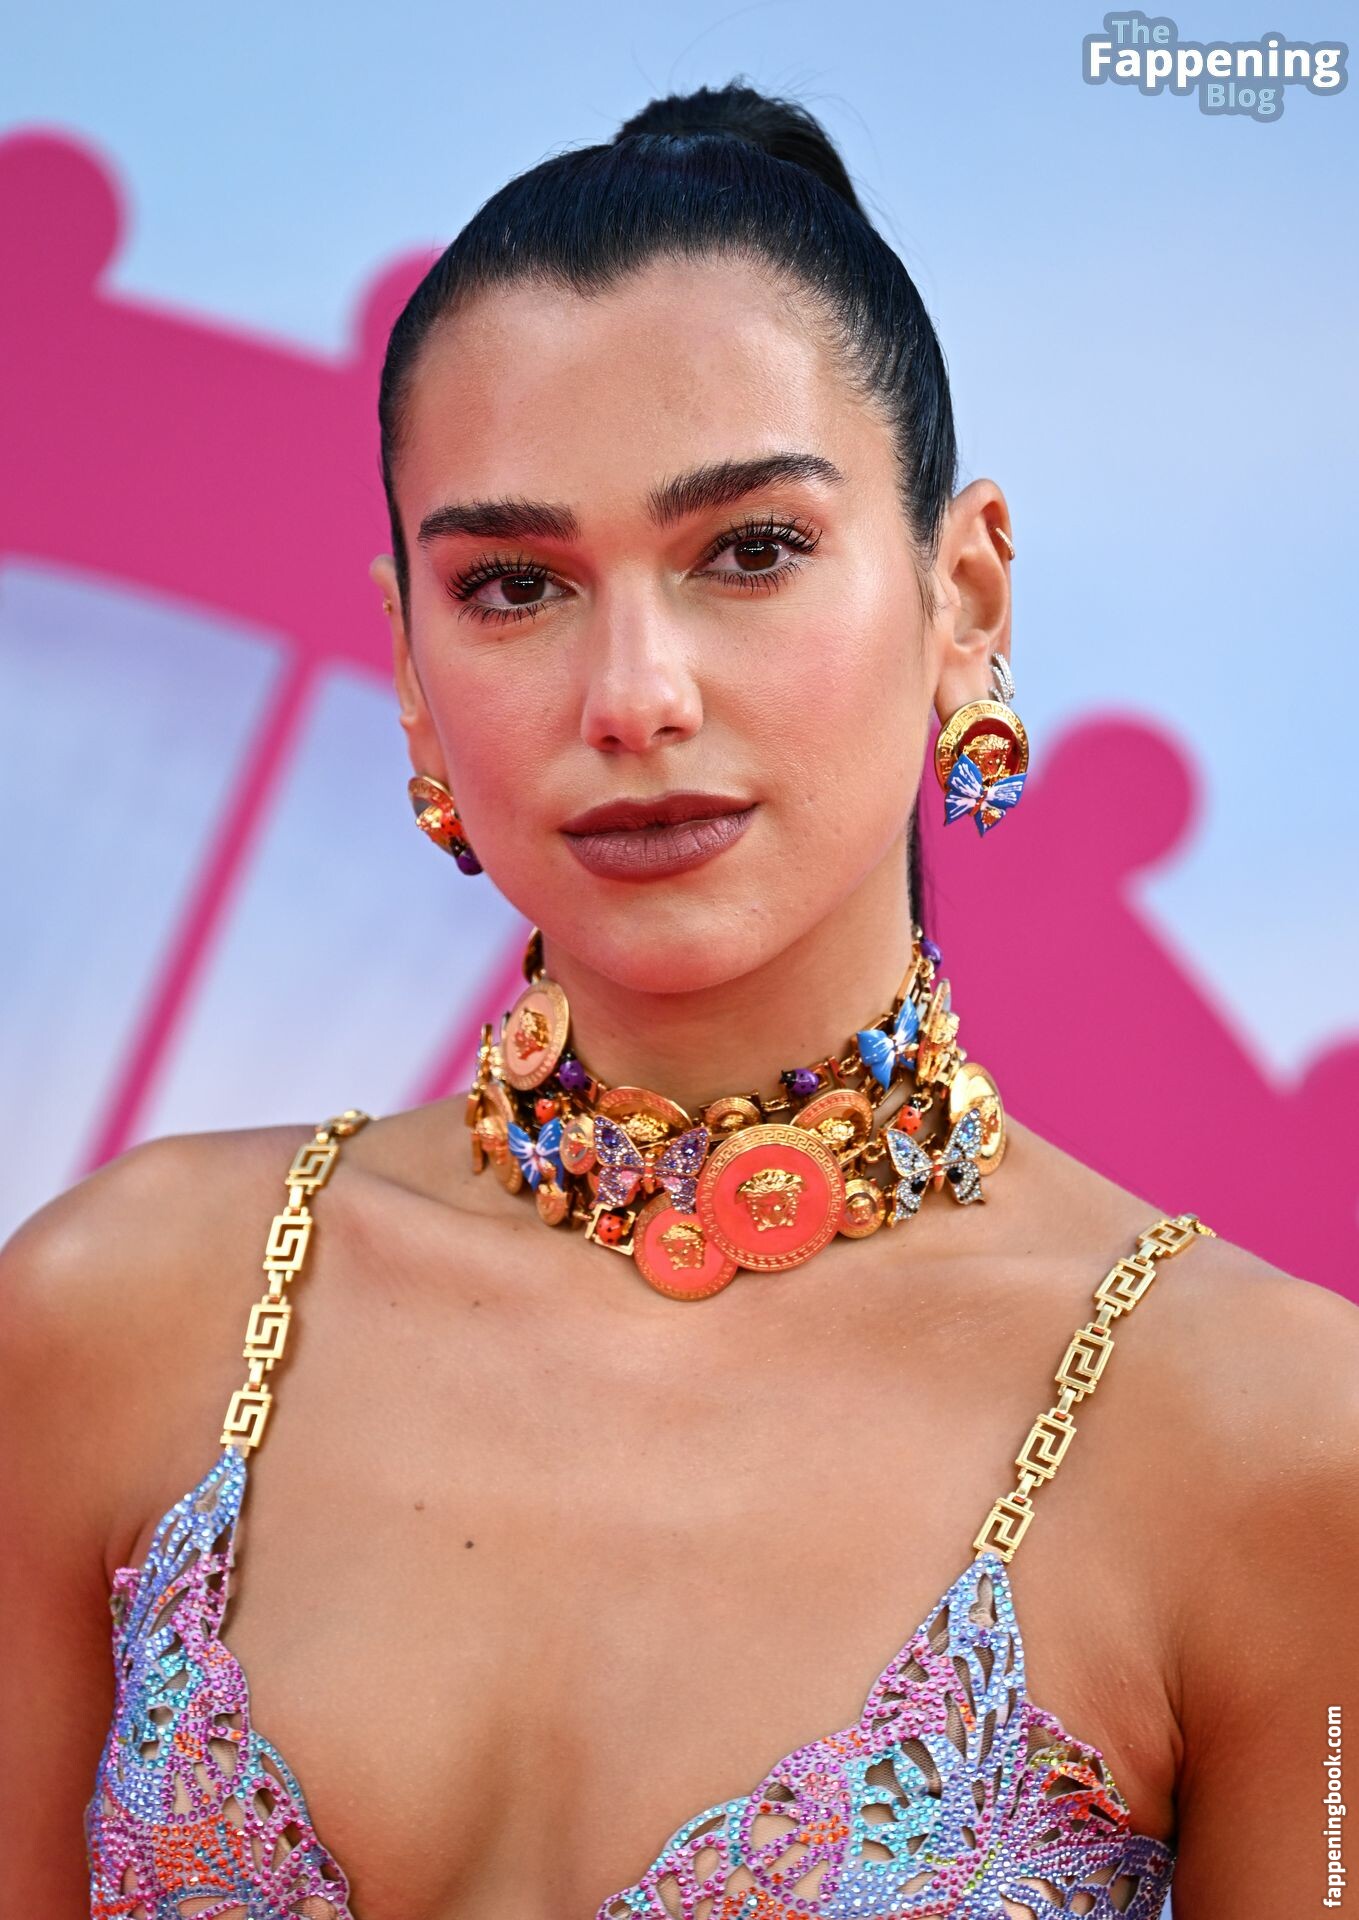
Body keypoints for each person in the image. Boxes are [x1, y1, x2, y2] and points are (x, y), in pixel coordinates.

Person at [2, 80, 1355, 1920]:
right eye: (513, 585)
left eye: (751, 550)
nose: (633, 695)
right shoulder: (116, 1320)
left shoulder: (1272, 1442)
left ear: (966, 598)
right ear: (408, 664)